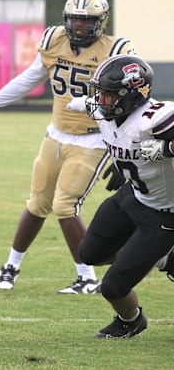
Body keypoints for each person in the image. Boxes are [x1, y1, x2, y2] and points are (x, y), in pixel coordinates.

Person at [0, 0, 137, 293]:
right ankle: (11, 266)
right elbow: (28, 79)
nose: (79, 27)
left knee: (64, 205)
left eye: (86, 21)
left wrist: (126, 156)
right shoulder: (54, 40)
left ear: (101, 21)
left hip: (94, 139)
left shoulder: (118, 50)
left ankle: (87, 276)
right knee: (38, 203)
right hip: (56, 133)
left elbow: (134, 102)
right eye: (75, 20)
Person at [67, 54, 172, 338]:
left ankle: (130, 321)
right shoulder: (103, 109)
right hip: (133, 195)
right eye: (100, 94)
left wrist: (166, 149)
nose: (101, 101)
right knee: (88, 253)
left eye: (109, 95)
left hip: (164, 213)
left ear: (133, 95)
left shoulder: (155, 117)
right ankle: (164, 258)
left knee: (113, 287)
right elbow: (75, 102)